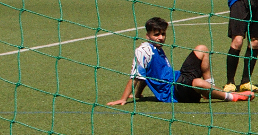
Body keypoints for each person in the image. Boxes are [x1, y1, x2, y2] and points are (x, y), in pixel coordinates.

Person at [107, 17, 250, 106]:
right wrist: (123, 98)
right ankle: (231, 96)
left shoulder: (157, 48)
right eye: (156, 34)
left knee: (201, 49)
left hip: (179, 77)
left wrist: (138, 94)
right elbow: (136, 77)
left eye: (163, 34)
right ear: (147, 35)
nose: (161, 37)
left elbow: (146, 75)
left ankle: (209, 89)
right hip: (174, 91)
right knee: (197, 83)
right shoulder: (143, 51)